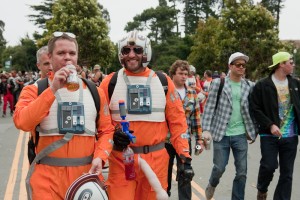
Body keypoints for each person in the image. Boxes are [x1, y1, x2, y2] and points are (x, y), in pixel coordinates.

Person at [13, 32, 114, 200]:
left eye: (72, 53)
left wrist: (101, 157)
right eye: (61, 53)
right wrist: (52, 90)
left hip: (85, 180)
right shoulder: (35, 90)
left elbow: (107, 130)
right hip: (47, 181)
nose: (67, 58)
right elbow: (22, 122)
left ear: (77, 57)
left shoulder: (95, 92)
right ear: (50, 57)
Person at [100, 30, 193, 200]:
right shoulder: (110, 82)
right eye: (126, 50)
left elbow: (178, 122)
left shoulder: (163, 82)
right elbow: (100, 122)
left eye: (137, 50)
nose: (132, 55)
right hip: (122, 160)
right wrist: (113, 135)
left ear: (146, 52)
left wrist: (184, 157)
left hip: (155, 161)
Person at [202, 52, 257, 200]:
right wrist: (206, 129)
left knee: (242, 172)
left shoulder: (249, 86)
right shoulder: (218, 84)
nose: (241, 67)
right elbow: (209, 107)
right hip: (221, 133)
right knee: (219, 167)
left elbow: (254, 109)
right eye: (238, 64)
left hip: (240, 134)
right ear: (230, 66)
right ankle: (212, 184)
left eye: (243, 65)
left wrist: (254, 129)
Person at [251, 52, 299, 200]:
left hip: (291, 135)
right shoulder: (262, 85)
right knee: (269, 166)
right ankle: (262, 188)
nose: (293, 64)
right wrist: (270, 125)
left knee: (287, 174)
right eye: (290, 62)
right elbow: (255, 108)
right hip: (269, 134)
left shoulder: (295, 84)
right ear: (281, 64)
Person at [166, 60, 204, 199]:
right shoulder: (166, 92)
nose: (183, 76)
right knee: (165, 176)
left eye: (186, 74)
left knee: (185, 174)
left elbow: (196, 118)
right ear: (173, 74)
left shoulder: (192, 93)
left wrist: (199, 140)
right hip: (167, 140)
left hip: (184, 139)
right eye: (180, 73)